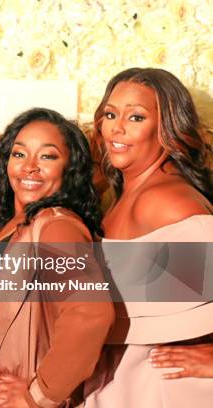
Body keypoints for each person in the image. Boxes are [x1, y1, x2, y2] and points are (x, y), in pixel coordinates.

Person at [0, 108, 114, 408]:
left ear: (70, 168)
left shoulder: (57, 226)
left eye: (47, 156)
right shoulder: (2, 227)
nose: (29, 167)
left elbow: (91, 313)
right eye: (19, 154)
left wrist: (37, 396)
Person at [84, 68, 213, 407]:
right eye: (110, 114)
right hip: (121, 383)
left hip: (160, 390)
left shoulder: (166, 202)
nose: (117, 127)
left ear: (168, 128)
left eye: (136, 117)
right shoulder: (123, 197)